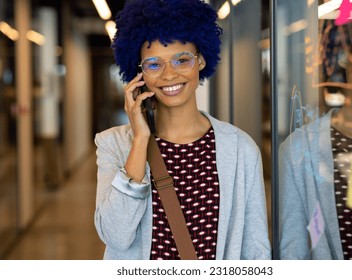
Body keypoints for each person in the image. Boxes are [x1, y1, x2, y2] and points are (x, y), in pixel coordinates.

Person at [94, 0, 271, 260]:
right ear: (139, 73)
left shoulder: (240, 148)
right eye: (154, 64)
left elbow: (255, 248)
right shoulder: (114, 145)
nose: (169, 75)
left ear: (200, 61)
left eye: (182, 60)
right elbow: (116, 237)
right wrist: (141, 139)